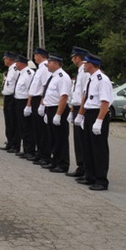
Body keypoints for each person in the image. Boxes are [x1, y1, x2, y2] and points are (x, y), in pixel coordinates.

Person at [75, 54, 114, 191]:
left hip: (99, 114)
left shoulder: (102, 79)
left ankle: (101, 180)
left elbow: (105, 102)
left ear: (91, 64)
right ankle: (90, 175)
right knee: (88, 147)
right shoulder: (90, 79)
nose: (84, 65)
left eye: (85, 63)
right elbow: (85, 98)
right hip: (89, 113)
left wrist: (99, 121)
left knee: (99, 148)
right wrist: (80, 115)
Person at [40, 54, 71, 173]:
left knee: (60, 138)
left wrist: (58, 114)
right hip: (51, 109)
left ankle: (63, 163)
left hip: (59, 110)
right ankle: (55, 160)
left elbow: (63, 97)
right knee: (52, 137)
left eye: (50, 62)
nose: (47, 64)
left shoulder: (63, 77)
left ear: (57, 64)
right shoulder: (53, 76)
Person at [66, 47, 89, 178]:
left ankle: (85, 167)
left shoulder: (85, 72)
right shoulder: (80, 71)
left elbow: (85, 94)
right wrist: (72, 110)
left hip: (82, 108)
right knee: (78, 140)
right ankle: (81, 166)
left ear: (78, 58)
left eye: (73, 57)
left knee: (82, 140)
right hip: (76, 108)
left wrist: (80, 112)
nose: (72, 59)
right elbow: (76, 93)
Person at [25, 48, 51, 164]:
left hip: (40, 100)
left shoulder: (45, 68)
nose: (34, 58)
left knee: (42, 131)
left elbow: (46, 87)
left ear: (40, 56)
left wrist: (42, 104)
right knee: (37, 129)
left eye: (35, 55)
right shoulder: (40, 68)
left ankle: (44, 155)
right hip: (35, 100)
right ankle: (39, 153)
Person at [14, 55, 36, 158]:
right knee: (22, 126)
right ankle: (26, 149)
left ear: (22, 63)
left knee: (27, 127)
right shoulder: (21, 73)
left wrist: (28, 105)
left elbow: (30, 91)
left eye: (17, 62)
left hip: (25, 102)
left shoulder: (28, 74)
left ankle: (30, 150)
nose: (16, 64)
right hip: (18, 101)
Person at [0, 51, 20, 152]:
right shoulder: (10, 69)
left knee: (12, 121)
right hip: (7, 97)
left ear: (9, 59)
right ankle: (10, 141)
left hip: (12, 97)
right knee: (8, 121)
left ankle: (14, 144)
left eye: (5, 58)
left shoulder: (16, 69)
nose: (4, 60)